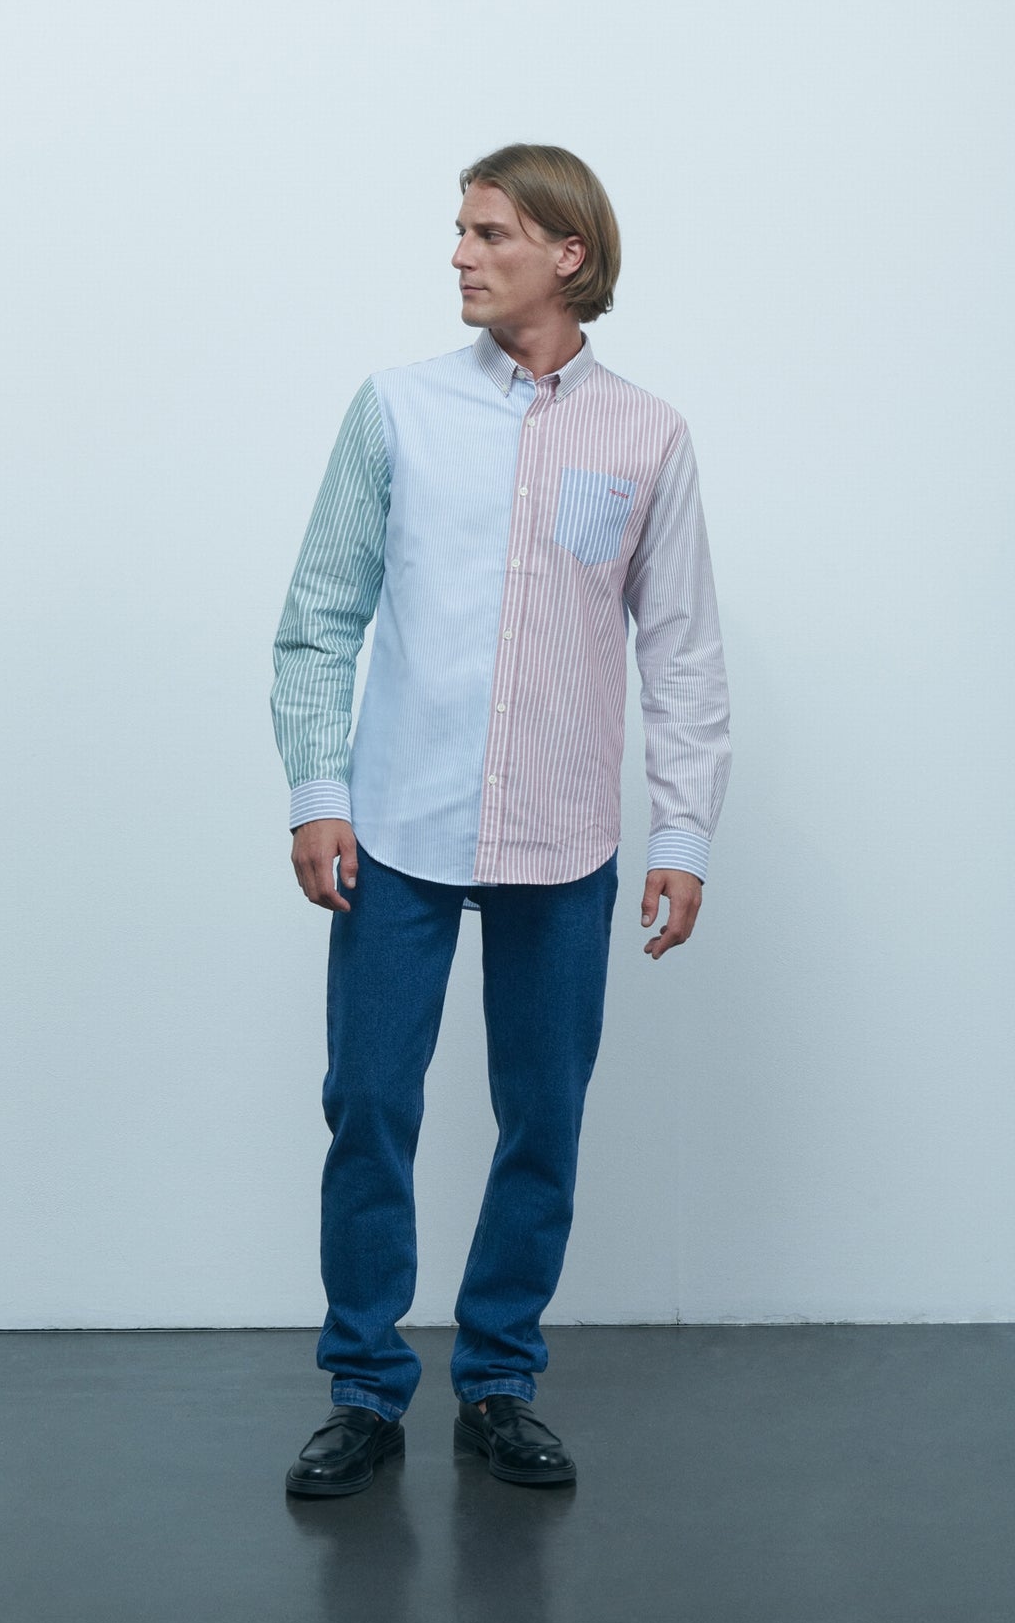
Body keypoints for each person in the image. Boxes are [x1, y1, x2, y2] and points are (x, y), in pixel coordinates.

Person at [270, 143, 731, 1497]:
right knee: (369, 1104)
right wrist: (318, 792)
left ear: (567, 254)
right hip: (396, 828)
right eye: (461, 231)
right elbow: (318, 620)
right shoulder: (397, 409)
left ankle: (498, 1379)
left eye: (489, 233)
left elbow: (683, 653)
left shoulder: (648, 436)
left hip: (566, 836)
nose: (460, 255)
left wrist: (683, 836)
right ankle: (365, 1388)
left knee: (543, 1118)